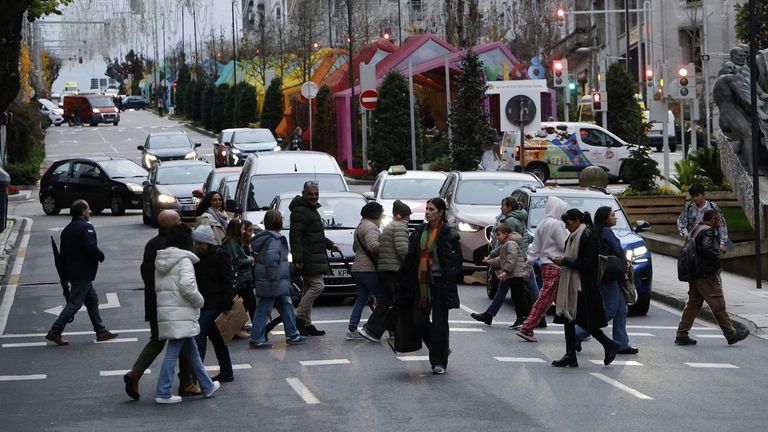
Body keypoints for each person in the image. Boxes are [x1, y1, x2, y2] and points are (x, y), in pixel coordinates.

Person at [124, 210, 200, 401]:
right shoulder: (177, 246)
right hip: (175, 303)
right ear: (174, 224)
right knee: (183, 338)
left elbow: (146, 274)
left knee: (157, 340)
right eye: (179, 220)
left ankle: (136, 372)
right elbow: (186, 279)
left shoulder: (152, 245)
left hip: (154, 300)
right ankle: (187, 382)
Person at [153, 224, 220, 404]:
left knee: (193, 351)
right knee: (173, 352)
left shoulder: (162, 260)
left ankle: (206, 385)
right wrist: (200, 301)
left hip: (170, 312)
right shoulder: (184, 260)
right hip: (181, 312)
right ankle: (163, 391)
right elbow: (187, 287)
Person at [398, 197, 462, 375]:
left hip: (441, 283)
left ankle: (438, 362)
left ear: (441, 212)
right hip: (421, 282)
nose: (427, 212)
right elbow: (410, 258)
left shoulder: (449, 232)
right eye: (426, 208)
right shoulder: (420, 231)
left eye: (431, 209)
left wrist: (451, 274)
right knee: (419, 321)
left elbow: (457, 260)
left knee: (440, 325)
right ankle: (439, 347)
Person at [550, 209, 620, 368]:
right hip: (574, 285)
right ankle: (571, 355)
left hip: (583, 286)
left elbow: (588, 264)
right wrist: (563, 261)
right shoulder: (573, 236)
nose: (567, 228)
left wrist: (565, 262)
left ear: (576, 221)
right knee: (570, 319)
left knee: (582, 320)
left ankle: (608, 344)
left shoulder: (588, 237)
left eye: (568, 224)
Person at [45, 200, 118, 346]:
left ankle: (101, 331)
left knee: (92, 300)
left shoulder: (67, 229)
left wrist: (64, 276)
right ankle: (55, 330)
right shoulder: (86, 227)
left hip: (72, 271)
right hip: (83, 272)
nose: (90, 212)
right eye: (88, 209)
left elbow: (63, 254)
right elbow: (90, 247)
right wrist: (100, 255)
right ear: (83, 211)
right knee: (75, 303)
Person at [674, 209, 749, 346]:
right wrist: (716, 265)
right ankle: (731, 334)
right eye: (718, 219)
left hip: (695, 273)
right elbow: (708, 249)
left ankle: (682, 334)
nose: (719, 222)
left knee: (693, 304)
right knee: (718, 304)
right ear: (713, 218)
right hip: (705, 274)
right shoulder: (708, 231)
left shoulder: (696, 229)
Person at [576, 206, 638, 355]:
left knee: (621, 310)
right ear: (605, 218)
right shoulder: (606, 232)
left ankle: (622, 344)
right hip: (609, 275)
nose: (615, 217)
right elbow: (617, 249)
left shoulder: (596, 231)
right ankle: (578, 332)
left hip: (609, 274)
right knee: (610, 310)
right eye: (612, 215)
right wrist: (625, 263)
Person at [249, 210, 307, 348]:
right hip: (274, 281)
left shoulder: (266, 237)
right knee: (264, 309)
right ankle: (257, 338)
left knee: (285, 305)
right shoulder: (276, 239)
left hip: (274, 281)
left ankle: (292, 333)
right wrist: (274, 277)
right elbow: (271, 259)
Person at [290, 181, 340, 336]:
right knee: (318, 286)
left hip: (314, 255)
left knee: (307, 290)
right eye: (311, 194)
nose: (314, 197)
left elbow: (316, 234)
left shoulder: (311, 209)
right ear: (303, 193)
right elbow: (295, 237)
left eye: (316, 194)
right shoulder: (300, 211)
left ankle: (306, 323)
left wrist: (330, 245)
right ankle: (298, 316)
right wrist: (298, 258)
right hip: (308, 257)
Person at [516, 196, 568, 342]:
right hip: (556, 265)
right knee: (546, 299)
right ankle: (527, 327)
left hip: (545, 265)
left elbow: (534, 249)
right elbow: (565, 245)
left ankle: (579, 329)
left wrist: (528, 267)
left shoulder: (542, 224)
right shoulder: (557, 225)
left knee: (557, 300)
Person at [361, 200, 412, 341]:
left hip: (385, 269)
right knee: (392, 301)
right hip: (393, 269)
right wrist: (410, 264)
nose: (410, 219)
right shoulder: (400, 227)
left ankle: (391, 330)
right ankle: (373, 330)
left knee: (388, 300)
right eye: (408, 215)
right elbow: (402, 250)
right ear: (402, 216)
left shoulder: (390, 226)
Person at [191, 225, 235, 383]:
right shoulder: (197, 257)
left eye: (200, 243)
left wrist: (227, 304)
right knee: (217, 338)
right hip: (204, 303)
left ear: (208, 242)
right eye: (196, 243)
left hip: (215, 304)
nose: (197, 246)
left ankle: (196, 375)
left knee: (199, 336)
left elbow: (227, 280)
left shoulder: (220, 254)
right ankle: (226, 371)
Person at [472, 225, 528, 326]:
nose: (497, 237)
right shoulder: (507, 243)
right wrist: (489, 262)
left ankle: (523, 318)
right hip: (511, 274)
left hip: (515, 274)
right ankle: (489, 315)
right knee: (506, 294)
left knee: (518, 297)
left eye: (498, 235)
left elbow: (511, 259)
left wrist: (505, 271)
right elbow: (501, 260)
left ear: (506, 234)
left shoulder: (510, 244)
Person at [347, 202, 384, 340]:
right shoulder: (371, 228)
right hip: (368, 269)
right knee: (383, 298)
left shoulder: (360, 226)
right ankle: (372, 328)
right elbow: (374, 246)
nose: (382, 216)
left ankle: (352, 329)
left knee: (361, 299)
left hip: (358, 267)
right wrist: (387, 244)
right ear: (375, 214)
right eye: (381, 213)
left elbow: (354, 248)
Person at [677, 183, 729, 254]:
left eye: (697, 196)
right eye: (693, 196)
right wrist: (686, 235)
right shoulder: (689, 208)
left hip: (710, 242)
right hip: (694, 243)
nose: (695, 199)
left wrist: (722, 242)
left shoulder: (713, 207)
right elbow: (681, 223)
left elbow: (722, 225)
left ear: (703, 194)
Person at [222, 219, 256, 320]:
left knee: (249, 303)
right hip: (241, 279)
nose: (244, 231)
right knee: (249, 303)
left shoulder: (234, 242)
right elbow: (236, 261)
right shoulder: (230, 243)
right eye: (242, 229)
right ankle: (239, 326)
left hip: (243, 279)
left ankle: (240, 326)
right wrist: (250, 260)